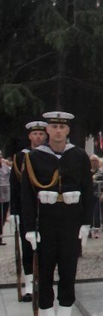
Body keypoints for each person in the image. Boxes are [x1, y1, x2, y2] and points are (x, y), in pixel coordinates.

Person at [21, 111, 93, 316]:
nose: (58, 131)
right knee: (45, 271)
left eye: (63, 127)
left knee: (68, 271)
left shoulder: (79, 155)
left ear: (68, 130)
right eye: (54, 126)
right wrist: (29, 227)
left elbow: (87, 190)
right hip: (47, 220)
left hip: (71, 219)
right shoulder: (34, 158)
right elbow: (27, 196)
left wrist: (86, 222)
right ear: (48, 130)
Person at [9, 121, 48, 301]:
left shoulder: (51, 155)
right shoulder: (20, 158)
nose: (38, 137)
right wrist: (15, 211)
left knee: (47, 247)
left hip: (47, 208)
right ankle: (30, 284)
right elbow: (15, 186)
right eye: (35, 134)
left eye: (41, 134)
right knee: (28, 247)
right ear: (30, 136)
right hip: (27, 208)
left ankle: (44, 281)